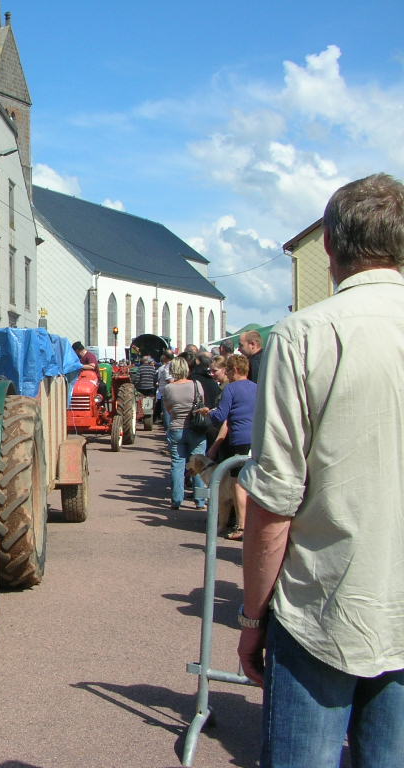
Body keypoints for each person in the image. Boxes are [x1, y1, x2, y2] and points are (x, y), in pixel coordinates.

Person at [237, 173, 404, 766]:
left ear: (330, 248)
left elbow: (274, 502)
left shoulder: (305, 335)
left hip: (324, 606)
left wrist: (252, 616)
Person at [200, 354, 256, 539]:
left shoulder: (231, 389)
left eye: (229, 371)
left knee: (238, 484)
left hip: (238, 439)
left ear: (234, 370)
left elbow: (221, 416)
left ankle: (241, 526)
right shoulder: (257, 387)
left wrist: (209, 413)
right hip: (256, 439)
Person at [162, 356, 207, 511]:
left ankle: (176, 500)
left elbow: (168, 409)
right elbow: (202, 403)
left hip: (176, 428)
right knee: (198, 465)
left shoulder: (169, 388)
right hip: (196, 429)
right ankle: (200, 501)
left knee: (177, 464)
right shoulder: (196, 385)